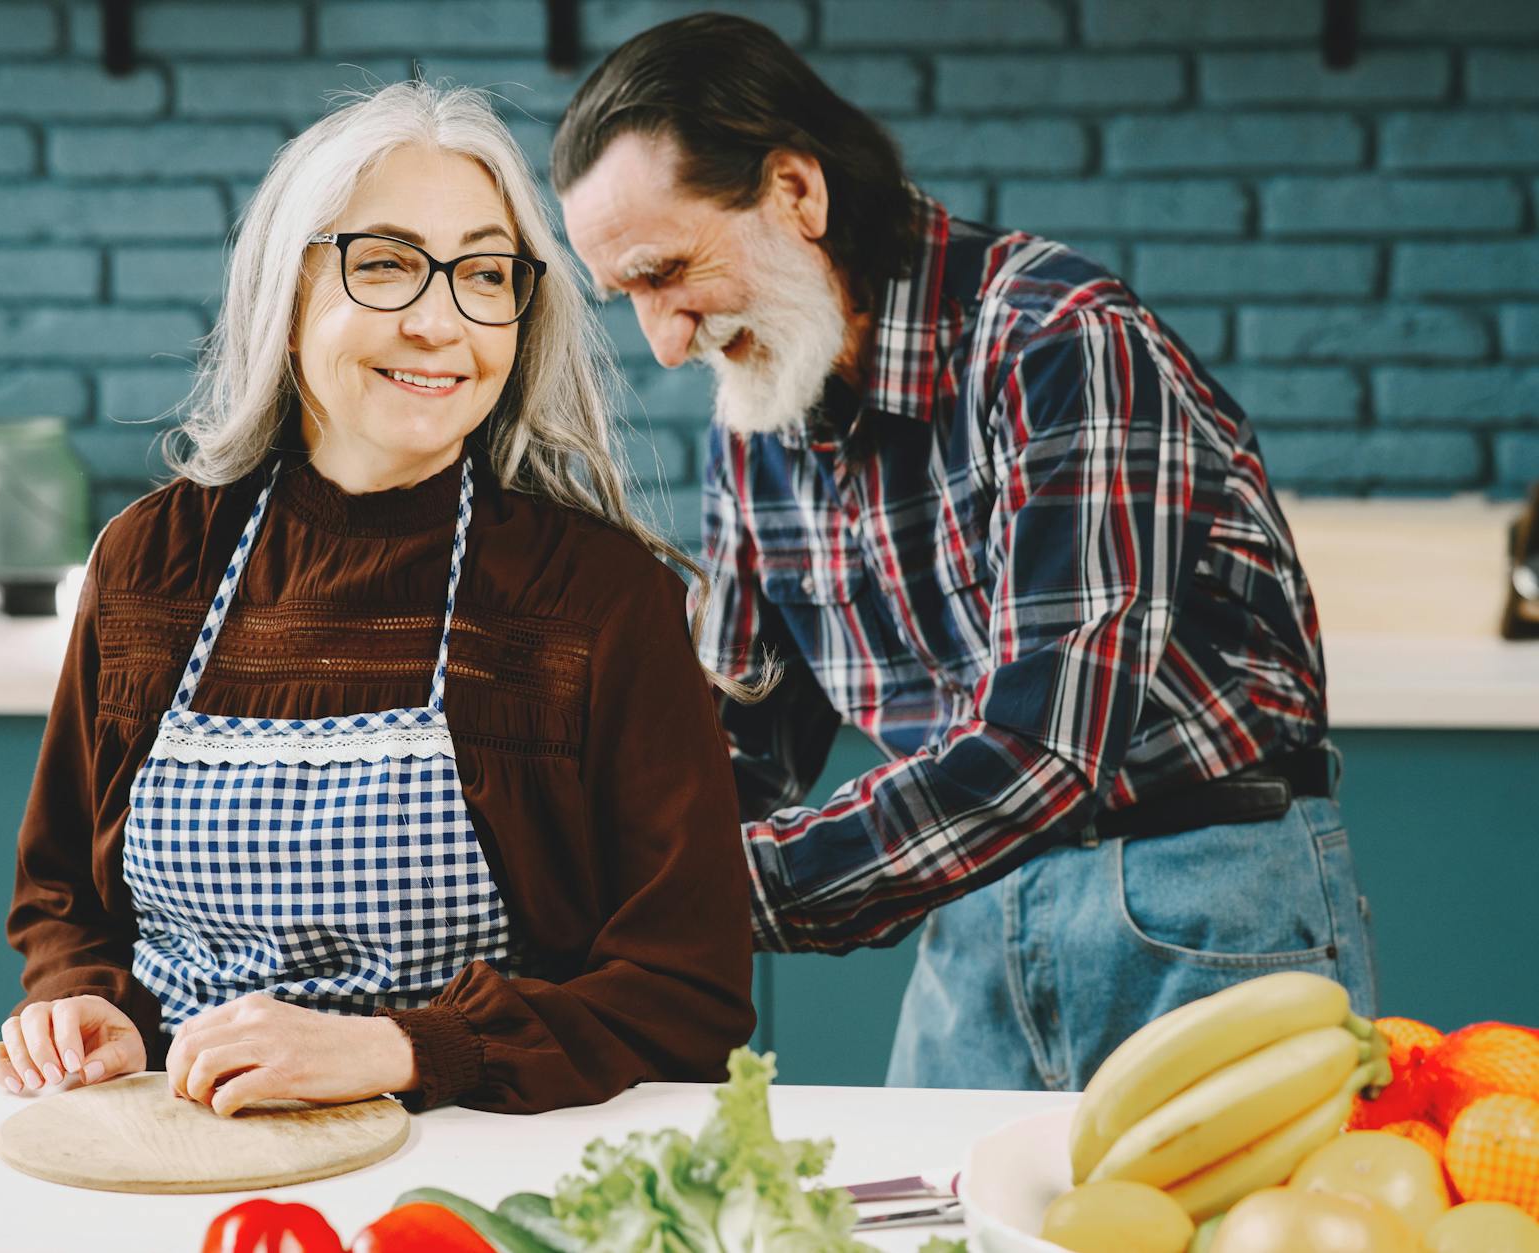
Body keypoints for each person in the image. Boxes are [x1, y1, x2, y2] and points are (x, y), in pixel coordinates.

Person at [552, 14, 1377, 1092]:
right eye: (631, 298)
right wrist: (585, 862)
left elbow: (1044, 746)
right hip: (970, 914)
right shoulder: (755, 419)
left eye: (668, 273)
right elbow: (736, 752)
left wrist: (706, 889)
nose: (664, 341)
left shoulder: (1057, 340)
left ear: (795, 191)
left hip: (1198, 896)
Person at [0, 81, 755, 1116]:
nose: (441, 321)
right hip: (173, 1143)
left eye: (484, 274)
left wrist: (401, 1049)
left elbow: (684, 991)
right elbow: (62, 899)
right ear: (286, 297)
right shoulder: (151, 561)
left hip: (474, 1158)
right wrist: (88, 1002)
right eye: (385, 264)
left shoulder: (597, 598)